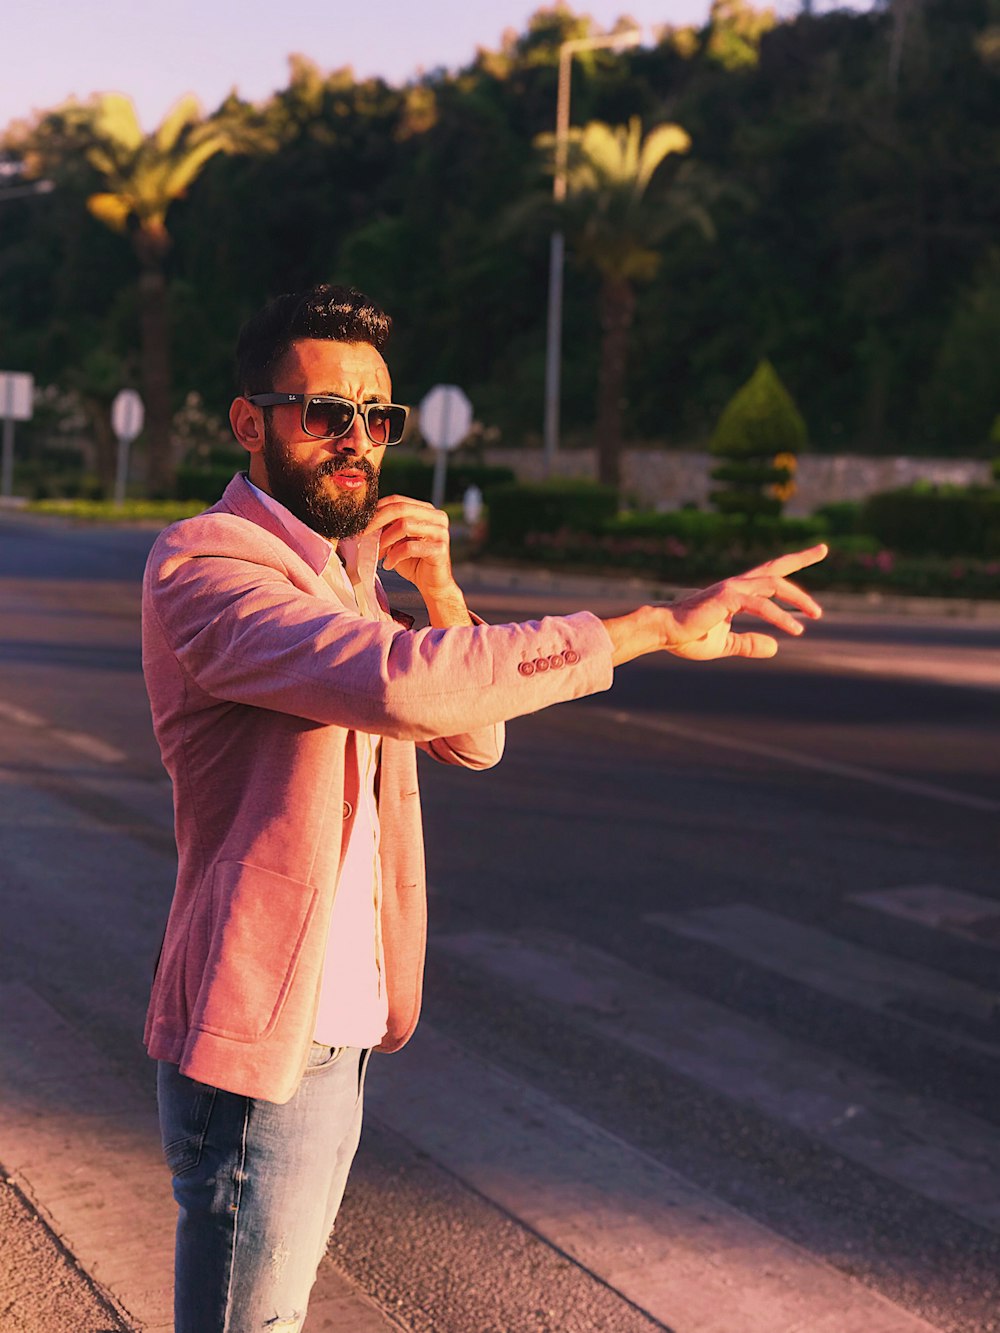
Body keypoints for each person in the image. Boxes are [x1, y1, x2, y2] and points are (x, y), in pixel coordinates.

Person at [142, 283, 825, 1333]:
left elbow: (472, 735)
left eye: (378, 417)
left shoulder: (343, 576)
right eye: (327, 412)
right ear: (250, 422)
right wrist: (648, 624)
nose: (358, 440)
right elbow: (406, 687)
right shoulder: (210, 564)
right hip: (262, 1042)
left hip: (337, 1031)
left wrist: (442, 598)